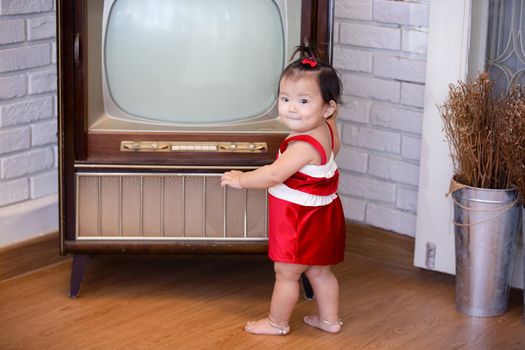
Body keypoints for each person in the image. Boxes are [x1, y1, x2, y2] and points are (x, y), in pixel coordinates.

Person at [221, 44, 346, 336]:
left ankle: (276, 323)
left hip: (300, 220)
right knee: (319, 270)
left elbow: (274, 174)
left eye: (304, 101)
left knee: (286, 274)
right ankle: (329, 320)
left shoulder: (302, 145)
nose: (291, 107)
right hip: (324, 215)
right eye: (285, 98)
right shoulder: (327, 128)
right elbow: (332, 138)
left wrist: (241, 178)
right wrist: (325, 112)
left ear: (327, 107)